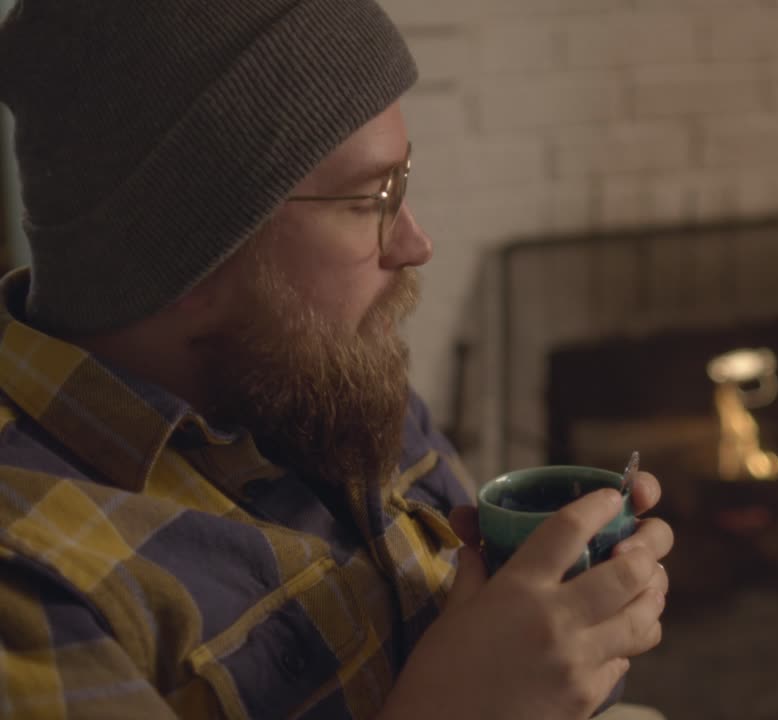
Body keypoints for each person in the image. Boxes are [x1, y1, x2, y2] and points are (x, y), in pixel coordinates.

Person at [0, 0, 673, 718]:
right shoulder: (33, 588)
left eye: (402, 180)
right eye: (369, 198)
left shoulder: (319, 372)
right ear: (187, 260)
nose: (415, 243)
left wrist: (578, 619)